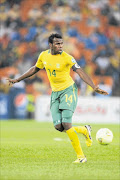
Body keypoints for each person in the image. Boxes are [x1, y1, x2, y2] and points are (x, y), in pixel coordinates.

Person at [7, 33, 108, 163]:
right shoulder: (43, 55)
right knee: (59, 127)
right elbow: (35, 69)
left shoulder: (67, 58)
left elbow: (80, 71)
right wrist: (17, 79)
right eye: (57, 44)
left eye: (61, 43)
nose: (60, 46)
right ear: (50, 45)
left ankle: (81, 157)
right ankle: (84, 129)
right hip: (55, 93)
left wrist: (93, 86)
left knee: (67, 124)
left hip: (68, 91)